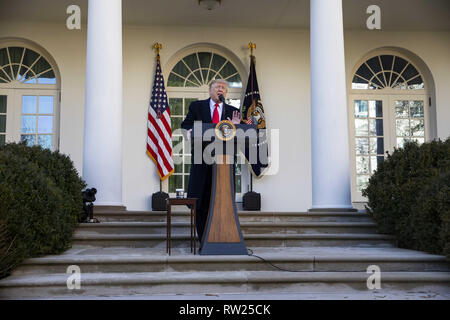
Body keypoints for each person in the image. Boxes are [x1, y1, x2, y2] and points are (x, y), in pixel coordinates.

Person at [181, 79, 241, 243]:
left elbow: (240, 136)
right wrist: (189, 131)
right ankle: (203, 239)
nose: (220, 89)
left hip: (223, 162)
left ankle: (222, 238)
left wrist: (236, 126)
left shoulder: (233, 111)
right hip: (202, 160)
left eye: (223, 88)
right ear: (210, 90)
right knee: (201, 200)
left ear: (226, 93)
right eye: (217, 87)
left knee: (222, 199)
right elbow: (185, 125)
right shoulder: (196, 107)